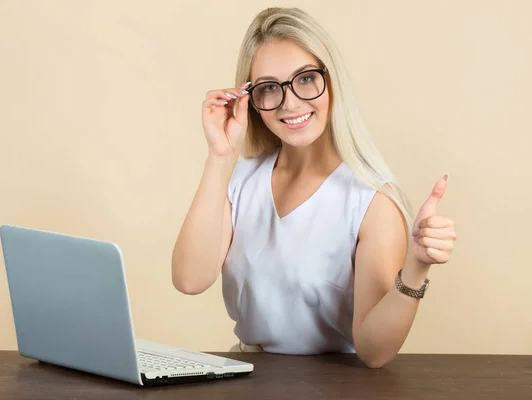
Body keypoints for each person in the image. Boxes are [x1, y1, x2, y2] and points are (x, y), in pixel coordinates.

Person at [171, 7, 457, 368]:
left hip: (335, 385)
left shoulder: (371, 198)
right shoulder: (241, 181)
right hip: (249, 380)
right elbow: (189, 279)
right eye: (269, 88)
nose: (290, 103)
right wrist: (220, 156)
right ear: (251, 101)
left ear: (332, 79)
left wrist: (416, 266)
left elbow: (374, 351)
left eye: (306, 79)